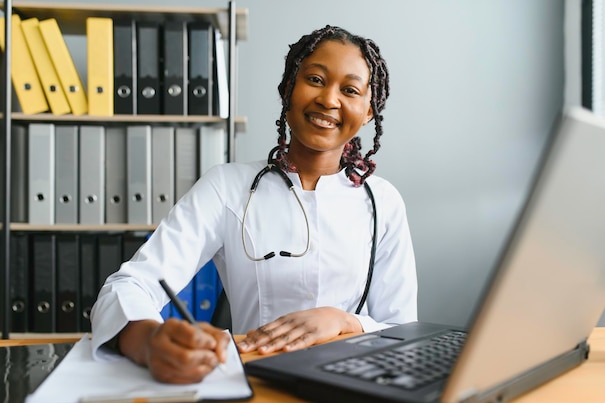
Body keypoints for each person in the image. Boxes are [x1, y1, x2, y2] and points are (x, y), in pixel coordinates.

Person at [90, 25, 417, 384]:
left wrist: (345, 321)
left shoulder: (383, 201)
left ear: (369, 111)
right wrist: (149, 341)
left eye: (350, 90)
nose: (329, 100)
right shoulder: (227, 187)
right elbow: (128, 285)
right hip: (256, 383)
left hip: (352, 386)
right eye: (315, 79)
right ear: (288, 88)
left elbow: (402, 331)